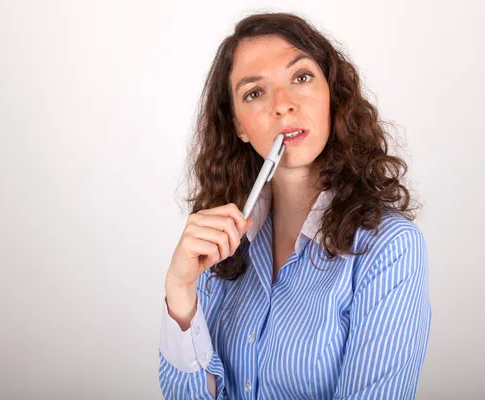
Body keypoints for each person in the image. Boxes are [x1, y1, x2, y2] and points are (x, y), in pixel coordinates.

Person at [158, 12, 431, 400]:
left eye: (300, 77)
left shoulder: (389, 248)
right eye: (255, 92)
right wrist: (180, 291)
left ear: (331, 93)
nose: (283, 105)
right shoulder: (221, 242)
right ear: (238, 125)